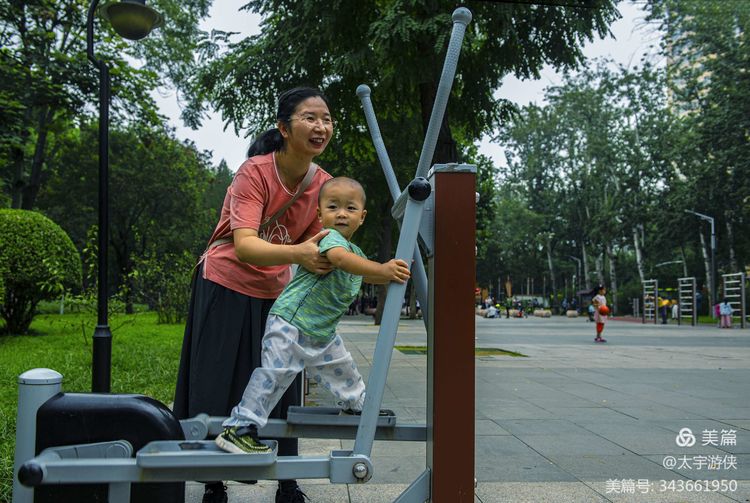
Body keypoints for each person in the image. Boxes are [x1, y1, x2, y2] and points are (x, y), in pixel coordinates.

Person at [173, 87, 337, 503]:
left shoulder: (324, 185)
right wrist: (300, 253)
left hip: (276, 292)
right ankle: (213, 482)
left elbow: (322, 244)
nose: (320, 126)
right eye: (310, 118)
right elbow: (245, 245)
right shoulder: (254, 172)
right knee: (217, 383)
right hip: (224, 282)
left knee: (281, 382)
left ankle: (288, 481)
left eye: (326, 119)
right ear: (284, 128)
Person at [215, 177, 411, 455]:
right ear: (319, 215)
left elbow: (363, 273)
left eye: (350, 208)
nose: (341, 214)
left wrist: (391, 273)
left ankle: (356, 405)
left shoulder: (355, 252)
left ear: (362, 217)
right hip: (291, 324)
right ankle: (240, 427)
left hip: (321, 333)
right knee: (274, 375)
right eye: (333, 207)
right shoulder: (330, 239)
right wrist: (382, 269)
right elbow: (342, 261)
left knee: (344, 368)